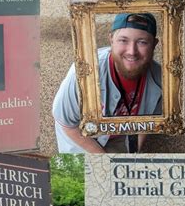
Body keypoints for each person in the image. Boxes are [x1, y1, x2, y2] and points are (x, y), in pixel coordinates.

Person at [53, 13, 162, 153]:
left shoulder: (162, 79)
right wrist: (105, 163)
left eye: (142, 42)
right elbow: (67, 124)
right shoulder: (84, 71)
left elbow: (147, 124)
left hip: (120, 140)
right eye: (123, 40)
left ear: (154, 44)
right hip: (81, 141)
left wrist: (134, 155)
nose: (132, 51)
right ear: (111, 39)